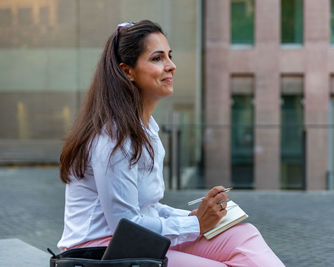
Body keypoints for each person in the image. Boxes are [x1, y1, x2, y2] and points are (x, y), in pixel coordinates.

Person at [57, 19, 284, 267]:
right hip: (103, 253)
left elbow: (148, 208)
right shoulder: (114, 140)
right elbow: (127, 226)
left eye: (169, 56)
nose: (171, 66)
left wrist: (194, 216)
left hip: (135, 244)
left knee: (243, 235)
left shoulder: (146, 130)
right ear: (127, 71)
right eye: (157, 58)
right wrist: (196, 224)